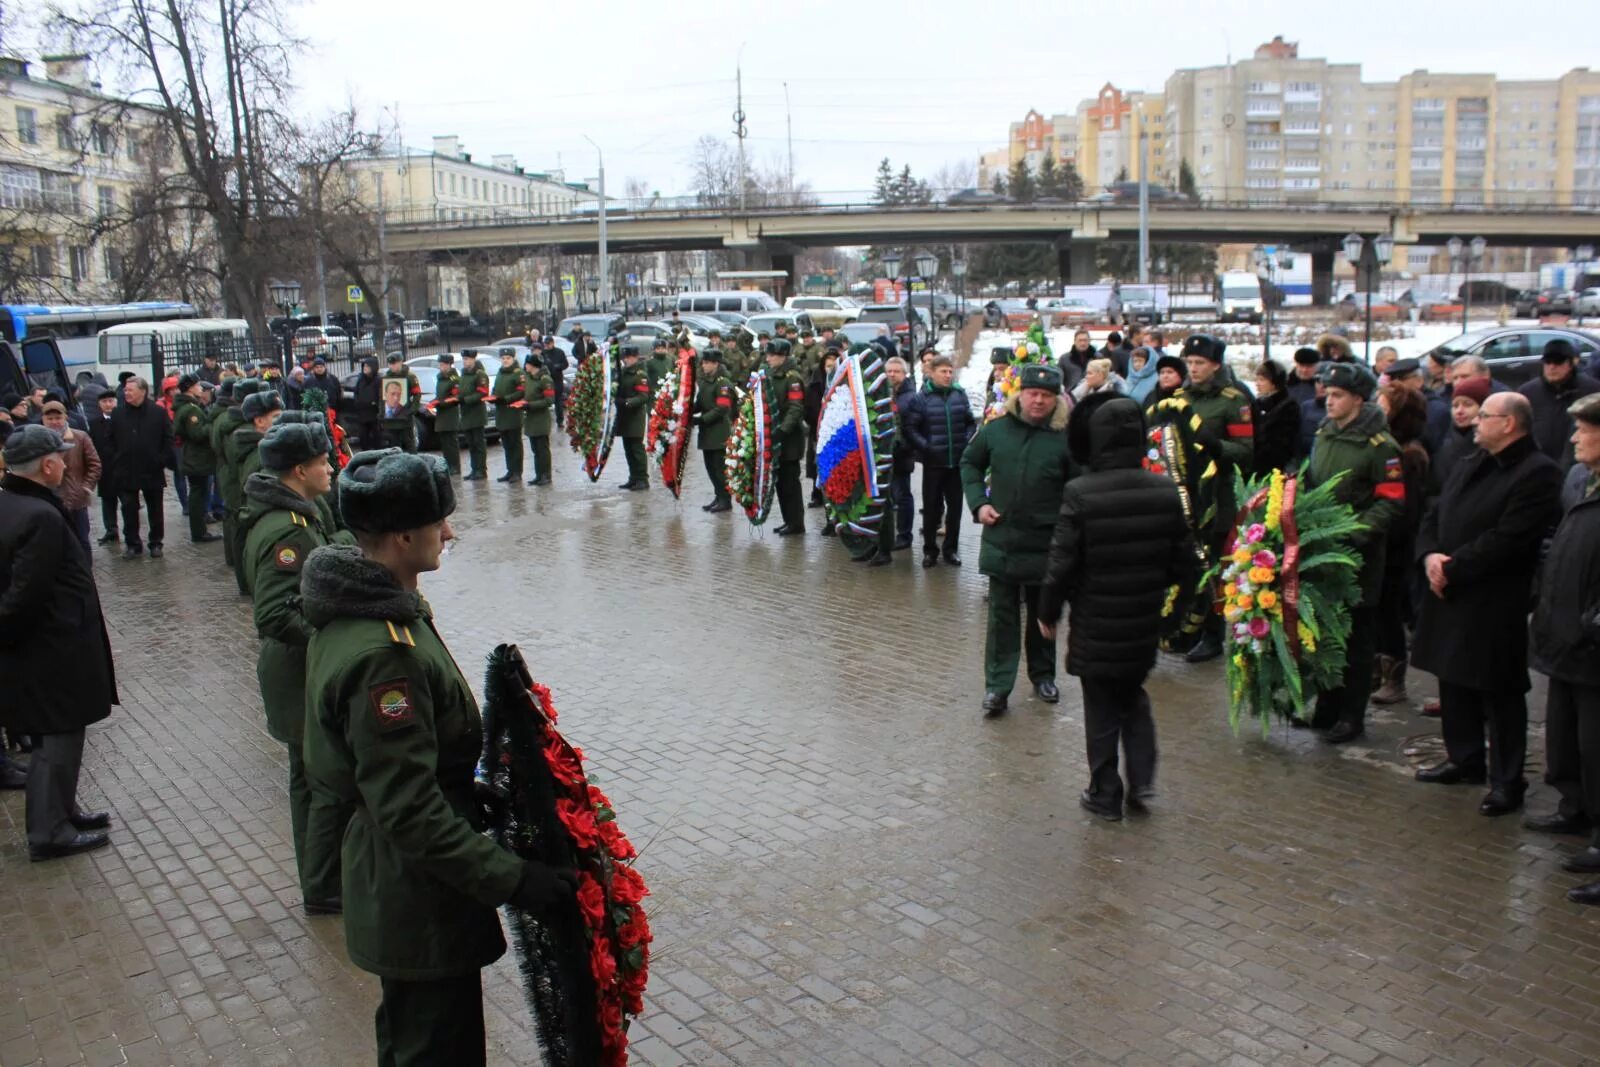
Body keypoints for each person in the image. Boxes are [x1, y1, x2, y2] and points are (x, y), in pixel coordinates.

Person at [299, 450, 576, 1064]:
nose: (450, 533)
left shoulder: (368, 608)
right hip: (416, 894)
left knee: (414, 1042)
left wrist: (470, 790)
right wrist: (514, 879)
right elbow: (407, 809)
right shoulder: (383, 654)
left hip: (409, 880)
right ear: (402, 537)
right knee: (435, 1049)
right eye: (439, 523)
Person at [1038, 394, 1195, 820]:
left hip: (1096, 621)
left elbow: (1061, 564)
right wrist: (1173, 618)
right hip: (1142, 620)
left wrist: (1047, 612)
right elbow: (1187, 565)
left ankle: (1105, 792)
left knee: (1102, 707)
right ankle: (1142, 782)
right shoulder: (1165, 491)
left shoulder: (1081, 492)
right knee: (1134, 696)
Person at [1411, 392, 1562, 815]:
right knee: (1452, 677)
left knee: (1499, 689)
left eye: (1484, 416)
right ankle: (1465, 758)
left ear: (1510, 423)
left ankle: (1507, 780)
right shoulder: (1468, 460)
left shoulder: (1538, 473)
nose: (1474, 422)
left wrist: (1452, 568)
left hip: (1494, 597)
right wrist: (1430, 557)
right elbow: (1434, 512)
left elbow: (1510, 538)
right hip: (1449, 588)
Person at [238, 420, 350, 914]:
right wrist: (330, 642)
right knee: (320, 786)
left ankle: (323, 878)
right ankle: (324, 886)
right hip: (297, 675)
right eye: (323, 462)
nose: (331, 467)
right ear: (299, 470)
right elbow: (273, 613)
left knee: (313, 783)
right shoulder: (287, 529)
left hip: (298, 672)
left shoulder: (299, 514)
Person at [0, 426, 117, 860]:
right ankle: (50, 831)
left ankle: (62, 812)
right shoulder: (38, 515)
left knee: (60, 738)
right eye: (60, 457)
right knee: (55, 742)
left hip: (46, 649)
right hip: (53, 651)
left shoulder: (16, 504)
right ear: (47, 465)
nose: (65, 463)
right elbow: (23, 596)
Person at [960, 363, 1075, 718]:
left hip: (1048, 544)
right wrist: (979, 504)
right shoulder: (996, 431)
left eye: (1046, 395)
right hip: (1004, 540)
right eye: (1032, 393)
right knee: (1002, 619)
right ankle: (997, 685)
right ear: (1019, 394)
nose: (1038, 401)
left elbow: (1080, 486)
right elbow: (970, 464)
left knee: (1045, 615)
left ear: (1056, 400)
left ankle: (1043, 676)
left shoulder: (1068, 439)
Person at [1302, 362, 1405, 743]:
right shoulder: (1325, 433)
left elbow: (1391, 502)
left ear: (1358, 400)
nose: (1329, 401)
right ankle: (1326, 707)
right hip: (1321, 551)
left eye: (1338, 396)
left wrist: (1354, 530)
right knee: (1326, 633)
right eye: (1328, 394)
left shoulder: (1381, 446)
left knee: (1357, 639)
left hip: (1356, 556)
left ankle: (1351, 715)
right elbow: (1313, 479)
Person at [1528, 394, 1600, 905]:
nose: (1572, 438)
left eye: (1583, 430)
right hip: (1567, 640)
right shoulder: (1581, 480)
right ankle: (1579, 813)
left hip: (1594, 644)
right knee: (1571, 741)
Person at [1174, 334, 1253, 662]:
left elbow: (1247, 452)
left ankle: (1212, 634)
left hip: (1218, 497)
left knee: (1215, 566)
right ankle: (1185, 627)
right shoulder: (1179, 396)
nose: (1193, 369)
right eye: (1189, 363)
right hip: (1184, 495)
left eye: (1200, 363)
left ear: (1216, 365)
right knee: (1186, 563)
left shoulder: (1233, 401)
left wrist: (1216, 447)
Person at [1371, 384, 1430, 706]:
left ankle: (1394, 678)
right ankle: (1376, 670)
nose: (1377, 408)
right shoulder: (1386, 447)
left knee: (1388, 610)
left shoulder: (1407, 455)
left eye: (1383, 404)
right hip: (1382, 543)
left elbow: (1405, 512)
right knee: (1377, 610)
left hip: (1395, 546)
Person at [904, 354, 974, 569]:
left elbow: (971, 423)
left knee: (955, 510)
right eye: (943, 371)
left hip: (956, 463)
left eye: (950, 371)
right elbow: (910, 428)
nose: (947, 375)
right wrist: (927, 446)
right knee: (932, 510)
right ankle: (930, 551)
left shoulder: (959, 395)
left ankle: (950, 550)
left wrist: (965, 440)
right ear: (931, 373)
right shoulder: (921, 398)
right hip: (934, 463)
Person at [109, 376, 174, 561]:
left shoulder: (157, 412)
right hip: (125, 469)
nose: (126, 393)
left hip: (151, 469)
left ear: (142, 391)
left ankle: (155, 543)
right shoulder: (118, 413)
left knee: (155, 508)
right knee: (128, 507)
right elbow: (110, 439)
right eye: (125, 390)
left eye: (130, 390)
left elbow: (168, 438)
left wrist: (161, 459)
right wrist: (116, 458)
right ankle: (133, 544)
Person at [1520, 339, 1600, 468]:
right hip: (1537, 467)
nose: (1552, 367)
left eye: (1558, 362)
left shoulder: (1591, 390)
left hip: (1579, 466)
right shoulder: (1527, 392)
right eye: (1547, 362)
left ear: (1570, 363)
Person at [39, 399, 101, 558]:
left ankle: (86, 574)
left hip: (76, 499)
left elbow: (94, 464)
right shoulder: (37, 440)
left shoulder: (80, 437)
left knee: (81, 540)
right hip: (48, 500)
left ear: (65, 417)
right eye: (50, 418)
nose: (54, 422)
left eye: (58, 418)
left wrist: (85, 487)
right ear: (43, 419)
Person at [172, 375, 221, 544]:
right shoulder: (191, 409)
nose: (201, 388)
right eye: (198, 385)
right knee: (198, 494)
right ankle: (199, 532)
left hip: (194, 456)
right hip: (196, 457)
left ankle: (199, 530)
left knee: (198, 492)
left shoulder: (188, 406)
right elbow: (197, 433)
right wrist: (211, 424)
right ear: (190, 388)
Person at [767, 340, 808, 534]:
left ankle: (796, 523)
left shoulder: (792, 379)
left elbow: (795, 408)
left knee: (790, 483)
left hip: (789, 440)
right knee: (780, 483)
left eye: (771, 355)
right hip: (775, 439)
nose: (768, 359)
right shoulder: (772, 375)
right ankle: (788, 520)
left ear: (782, 356)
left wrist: (783, 430)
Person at [695, 347, 735, 512]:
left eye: (707, 363)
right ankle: (718, 496)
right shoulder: (705, 381)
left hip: (719, 431)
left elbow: (722, 408)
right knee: (710, 467)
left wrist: (701, 419)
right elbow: (699, 403)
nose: (704, 365)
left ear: (715, 364)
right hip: (707, 432)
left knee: (720, 469)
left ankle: (725, 500)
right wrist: (686, 410)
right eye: (703, 362)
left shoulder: (723, 383)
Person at [1251, 359, 1302, 473]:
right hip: (1258, 466)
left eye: (1262, 380)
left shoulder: (1288, 407)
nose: (1257, 383)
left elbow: (1284, 443)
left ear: (1275, 383)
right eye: (1257, 379)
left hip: (1276, 469)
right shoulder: (1259, 404)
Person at [613, 344, 649, 491]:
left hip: (635, 416)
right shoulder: (623, 372)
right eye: (624, 358)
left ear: (635, 357)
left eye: (628, 358)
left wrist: (628, 402)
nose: (626, 360)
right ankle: (633, 477)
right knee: (628, 448)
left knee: (637, 449)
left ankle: (642, 479)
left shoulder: (640, 374)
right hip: (624, 416)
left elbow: (643, 396)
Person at [87, 388, 120, 544]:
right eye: (104, 402)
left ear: (116, 402)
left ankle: (130, 531)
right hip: (105, 469)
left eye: (111, 401)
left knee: (128, 502)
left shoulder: (123, 419)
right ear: (99, 404)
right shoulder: (94, 423)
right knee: (108, 501)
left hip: (122, 468)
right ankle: (111, 529)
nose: (108, 404)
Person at [521, 351, 555, 486]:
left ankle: (546, 475)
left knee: (542, 449)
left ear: (533, 365)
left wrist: (530, 405)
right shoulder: (529, 377)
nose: (525, 366)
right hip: (531, 419)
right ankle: (538, 475)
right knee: (535, 449)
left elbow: (549, 400)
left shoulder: (545, 379)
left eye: (527, 364)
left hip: (540, 419)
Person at [458, 350, 491, 480]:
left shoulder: (480, 374)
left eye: (467, 359)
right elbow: (462, 389)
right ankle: (474, 468)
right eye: (464, 359)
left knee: (479, 443)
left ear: (473, 360)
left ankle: (481, 469)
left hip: (476, 413)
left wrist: (467, 399)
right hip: (466, 413)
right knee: (471, 444)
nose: (465, 361)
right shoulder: (464, 374)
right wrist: (458, 398)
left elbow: (483, 393)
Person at [380, 354, 422, 453]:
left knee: (409, 444)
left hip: (405, 418)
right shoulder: (387, 377)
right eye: (390, 364)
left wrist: (411, 410)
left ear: (400, 362)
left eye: (394, 364)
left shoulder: (410, 376)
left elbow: (417, 394)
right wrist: (382, 412)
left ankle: (413, 466)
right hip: (391, 420)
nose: (392, 366)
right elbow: (383, 397)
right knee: (394, 447)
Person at [432, 353, 463, 477]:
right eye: (440, 364)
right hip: (441, 415)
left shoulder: (454, 379)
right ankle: (447, 465)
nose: (441, 367)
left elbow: (454, 398)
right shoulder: (440, 378)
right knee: (444, 443)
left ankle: (455, 466)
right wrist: (433, 402)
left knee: (451, 443)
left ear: (450, 364)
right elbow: (439, 396)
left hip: (450, 414)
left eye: (443, 364)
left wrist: (440, 403)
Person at [351, 356, 383, 452]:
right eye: (364, 366)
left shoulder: (378, 380)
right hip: (362, 413)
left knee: (377, 437)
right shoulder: (361, 379)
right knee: (363, 437)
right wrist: (358, 402)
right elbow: (356, 392)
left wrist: (375, 404)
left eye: (367, 366)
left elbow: (381, 396)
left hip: (374, 413)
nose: (365, 368)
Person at [542, 336, 568, 430]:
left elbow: (566, 364)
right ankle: (545, 421)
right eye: (546, 344)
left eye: (549, 344)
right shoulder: (543, 353)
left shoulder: (559, 352)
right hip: (545, 380)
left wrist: (559, 366)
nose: (547, 346)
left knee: (558, 402)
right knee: (545, 401)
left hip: (557, 380)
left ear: (553, 343)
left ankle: (560, 421)